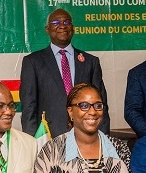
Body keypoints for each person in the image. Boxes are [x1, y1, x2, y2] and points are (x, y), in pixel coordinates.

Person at [20, 9, 110, 137]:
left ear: (72, 28)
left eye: (66, 21)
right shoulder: (33, 62)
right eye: (56, 22)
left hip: (86, 136)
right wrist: (31, 141)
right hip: (49, 136)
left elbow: (101, 105)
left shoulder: (90, 61)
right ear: (47, 29)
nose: (62, 25)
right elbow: (29, 106)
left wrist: (103, 137)